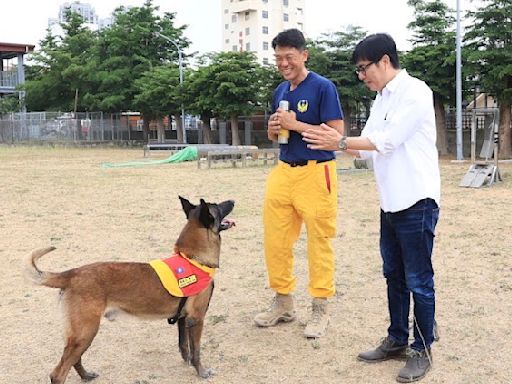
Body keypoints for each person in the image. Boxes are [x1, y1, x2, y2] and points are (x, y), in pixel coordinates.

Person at [302, 33, 440, 382]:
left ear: (384, 61)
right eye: (358, 71)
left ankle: (422, 348)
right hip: (390, 202)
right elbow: (366, 148)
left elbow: (388, 141)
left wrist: (342, 140)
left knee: (418, 279)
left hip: (417, 199)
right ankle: (396, 338)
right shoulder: (380, 99)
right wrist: (331, 142)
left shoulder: (415, 92)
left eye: (364, 68)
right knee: (393, 274)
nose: (361, 76)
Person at [253, 28, 344, 338]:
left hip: (317, 171)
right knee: (275, 240)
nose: (283, 63)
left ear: (304, 55)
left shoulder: (323, 87)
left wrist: (296, 124)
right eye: (278, 57)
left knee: (319, 242)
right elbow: (280, 133)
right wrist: (273, 128)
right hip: (283, 169)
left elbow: (335, 135)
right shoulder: (280, 91)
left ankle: (321, 308)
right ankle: (283, 302)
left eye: (289, 57)